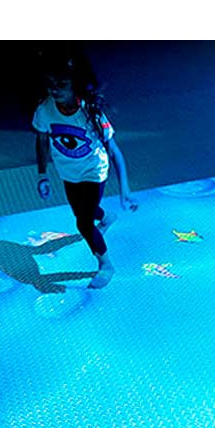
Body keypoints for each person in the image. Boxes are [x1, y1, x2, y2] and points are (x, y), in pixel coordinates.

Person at [32, 48, 136, 290]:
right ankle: (107, 217)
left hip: (93, 172)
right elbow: (41, 140)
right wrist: (42, 175)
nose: (54, 90)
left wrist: (125, 189)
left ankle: (106, 265)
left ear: (75, 85)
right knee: (83, 211)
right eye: (50, 84)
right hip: (68, 172)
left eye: (61, 85)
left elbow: (115, 151)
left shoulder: (90, 113)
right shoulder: (45, 110)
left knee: (83, 223)